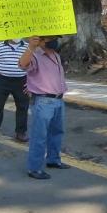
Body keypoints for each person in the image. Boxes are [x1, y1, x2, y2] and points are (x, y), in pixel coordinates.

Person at [19, 36, 69, 180]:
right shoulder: (34, 55)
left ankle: (53, 160)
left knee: (57, 133)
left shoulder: (56, 55)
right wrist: (31, 47)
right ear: (40, 40)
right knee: (39, 136)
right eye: (51, 38)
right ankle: (34, 168)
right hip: (43, 101)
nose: (55, 40)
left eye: (56, 37)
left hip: (59, 100)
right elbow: (22, 64)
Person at [0, 38, 30, 144]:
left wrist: (32, 83)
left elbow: (33, 66)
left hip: (21, 81)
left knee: (23, 107)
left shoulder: (28, 47)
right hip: (1, 80)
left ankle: (20, 132)